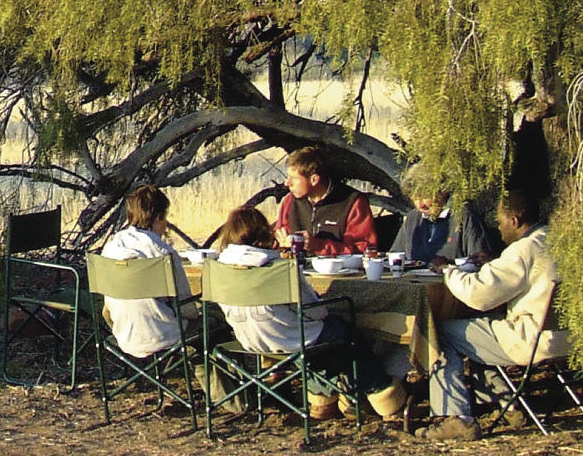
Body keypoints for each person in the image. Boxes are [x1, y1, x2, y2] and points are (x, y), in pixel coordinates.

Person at [416, 189, 568, 442]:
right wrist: (496, 261)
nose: (498, 227)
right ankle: (506, 401)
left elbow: (479, 294)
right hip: (566, 336)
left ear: (514, 221)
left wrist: (447, 270)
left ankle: (457, 418)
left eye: (500, 221)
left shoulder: (524, 249)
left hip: (533, 339)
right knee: (477, 330)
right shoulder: (554, 239)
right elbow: (522, 273)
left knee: (440, 330)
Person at [212, 206, 365, 419]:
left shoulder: (219, 267)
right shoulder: (281, 267)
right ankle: (379, 397)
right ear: (265, 232)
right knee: (346, 334)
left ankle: (323, 400)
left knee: (317, 343)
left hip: (248, 339)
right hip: (291, 338)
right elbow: (317, 313)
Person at [99, 186, 193, 361]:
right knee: (212, 324)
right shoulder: (163, 253)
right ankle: (211, 375)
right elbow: (186, 306)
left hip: (123, 334)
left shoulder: (110, 248)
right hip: (165, 335)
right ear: (158, 218)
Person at [276, 146, 378, 257]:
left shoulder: (352, 202)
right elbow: (279, 235)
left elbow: (363, 250)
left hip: (341, 268)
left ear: (314, 180)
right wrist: (279, 241)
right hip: (295, 266)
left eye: (293, 178)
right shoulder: (290, 201)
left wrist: (319, 246)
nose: (287, 183)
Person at [390, 169, 496, 265]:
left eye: (424, 197)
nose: (420, 205)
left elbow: (480, 260)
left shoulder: (463, 215)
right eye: (415, 199)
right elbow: (396, 256)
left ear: (443, 192)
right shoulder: (413, 218)